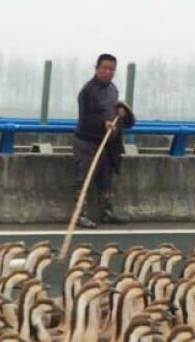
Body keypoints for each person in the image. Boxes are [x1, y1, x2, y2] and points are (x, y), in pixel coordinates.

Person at [72, 53, 136, 228]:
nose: (108, 72)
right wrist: (103, 123)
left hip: (109, 143)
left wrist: (121, 115)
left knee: (106, 179)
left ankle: (106, 212)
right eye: (105, 68)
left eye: (111, 69)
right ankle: (80, 214)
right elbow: (85, 118)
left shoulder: (113, 90)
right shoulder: (87, 91)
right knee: (84, 178)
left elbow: (120, 117)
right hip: (88, 141)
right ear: (97, 68)